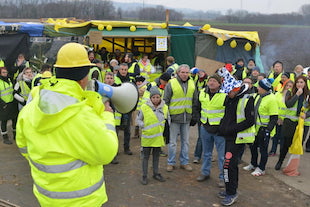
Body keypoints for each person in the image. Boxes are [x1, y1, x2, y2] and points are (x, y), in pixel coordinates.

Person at [16, 43, 118, 207]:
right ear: (84, 77)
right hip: (83, 201)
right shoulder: (83, 115)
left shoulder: (31, 108)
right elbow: (107, 153)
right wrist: (107, 117)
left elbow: (23, 146)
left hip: (46, 197)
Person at [218, 82, 255, 206]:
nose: (228, 94)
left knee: (229, 165)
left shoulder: (247, 99)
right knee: (228, 165)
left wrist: (231, 128)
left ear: (236, 89)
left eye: (229, 92)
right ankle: (229, 189)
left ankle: (231, 193)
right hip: (228, 137)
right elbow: (227, 115)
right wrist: (223, 127)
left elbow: (250, 121)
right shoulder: (230, 97)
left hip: (238, 138)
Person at [164, 64, 198, 172]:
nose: (184, 74)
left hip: (187, 117)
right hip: (174, 117)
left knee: (186, 141)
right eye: (182, 72)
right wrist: (166, 116)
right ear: (178, 73)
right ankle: (171, 162)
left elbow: (195, 100)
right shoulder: (171, 83)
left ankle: (184, 162)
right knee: (172, 142)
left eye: (187, 72)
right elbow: (166, 100)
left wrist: (194, 115)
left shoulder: (192, 83)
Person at [195, 74, 226, 187]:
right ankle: (205, 173)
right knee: (206, 153)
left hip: (219, 130)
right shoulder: (202, 92)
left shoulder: (224, 94)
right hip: (205, 127)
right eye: (210, 81)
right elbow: (197, 107)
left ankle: (223, 178)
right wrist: (200, 121)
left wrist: (224, 127)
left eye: (214, 81)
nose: (211, 83)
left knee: (222, 156)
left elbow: (228, 112)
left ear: (219, 83)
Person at [243, 78, 278, 176]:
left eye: (259, 86)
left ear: (264, 88)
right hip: (255, 128)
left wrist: (268, 130)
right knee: (253, 147)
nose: (257, 88)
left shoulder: (271, 99)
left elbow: (274, 117)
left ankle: (261, 168)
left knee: (263, 149)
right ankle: (253, 163)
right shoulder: (258, 96)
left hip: (264, 128)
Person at [275, 75, 310, 170]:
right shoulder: (290, 92)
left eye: (301, 82)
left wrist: (306, 115)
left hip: (302, 123)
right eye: (298, 82)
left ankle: (292, 166)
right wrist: (297, 95)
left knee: (298, 144)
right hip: (289, 122)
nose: (299, 84)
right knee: (286, 143)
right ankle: (280, 161)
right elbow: (288, 104)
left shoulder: (308, 95)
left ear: (305, 84)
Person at [136, 86, 169, 185]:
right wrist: (143, 126)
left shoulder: (165, 107)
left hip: (158, 137)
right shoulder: (144, 107)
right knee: (145, 157)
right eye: (153, 97)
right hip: (147, 137)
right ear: (150, 98)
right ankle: (144, 175)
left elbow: (167, 120)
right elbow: (138, 120)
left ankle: (156, 173)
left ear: (160, 97)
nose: (155, 99)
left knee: (156, 156)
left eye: (157, 97)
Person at [269, 80, 294, 157]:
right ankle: (273, 150)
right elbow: (274, 105)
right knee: (275, 136)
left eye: (290, 86)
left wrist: (283, 119)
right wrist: (277, 118)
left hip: (285, 119)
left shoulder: (292, 96)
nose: (288, 88)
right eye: (287, 86)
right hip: (277, 118)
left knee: (283, 137)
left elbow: (289, 109)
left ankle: (282, 153)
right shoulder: (278, 94)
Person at [114, 63, 135, 155]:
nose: (123, 71)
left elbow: (134, 94)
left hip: (127, 107)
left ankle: (127, 148)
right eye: (122, 69)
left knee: (127, 129)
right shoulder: (114, 79)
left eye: (125, 70)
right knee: (116, 129)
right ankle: (114, 150)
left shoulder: (131, 80)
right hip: (117, 107)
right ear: (119, 70)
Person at [0, 67, 18, 145]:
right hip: (4, 105)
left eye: (6, 72)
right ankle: (5, 137)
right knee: (4, 121)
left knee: (14, 119)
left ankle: (15, 135)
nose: (5, 74)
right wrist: (2, 104)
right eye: (3, 72)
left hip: (12, 103)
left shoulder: (9, 79)